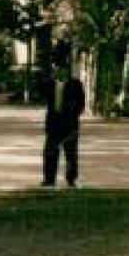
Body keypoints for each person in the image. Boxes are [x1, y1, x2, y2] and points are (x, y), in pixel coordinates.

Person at [41, 52, 86, 188]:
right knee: (50, 152)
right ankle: (49, 179)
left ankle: (71, 179)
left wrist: (74, 115)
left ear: (66, 70)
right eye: (55, 69)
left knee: (71, 153)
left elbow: (81, 103)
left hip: (69, 123)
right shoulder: (50, 83)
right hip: (53, 123)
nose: (57, 71)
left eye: (59, 69)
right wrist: (49, 80)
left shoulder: (75, 84)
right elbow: (41, 92)